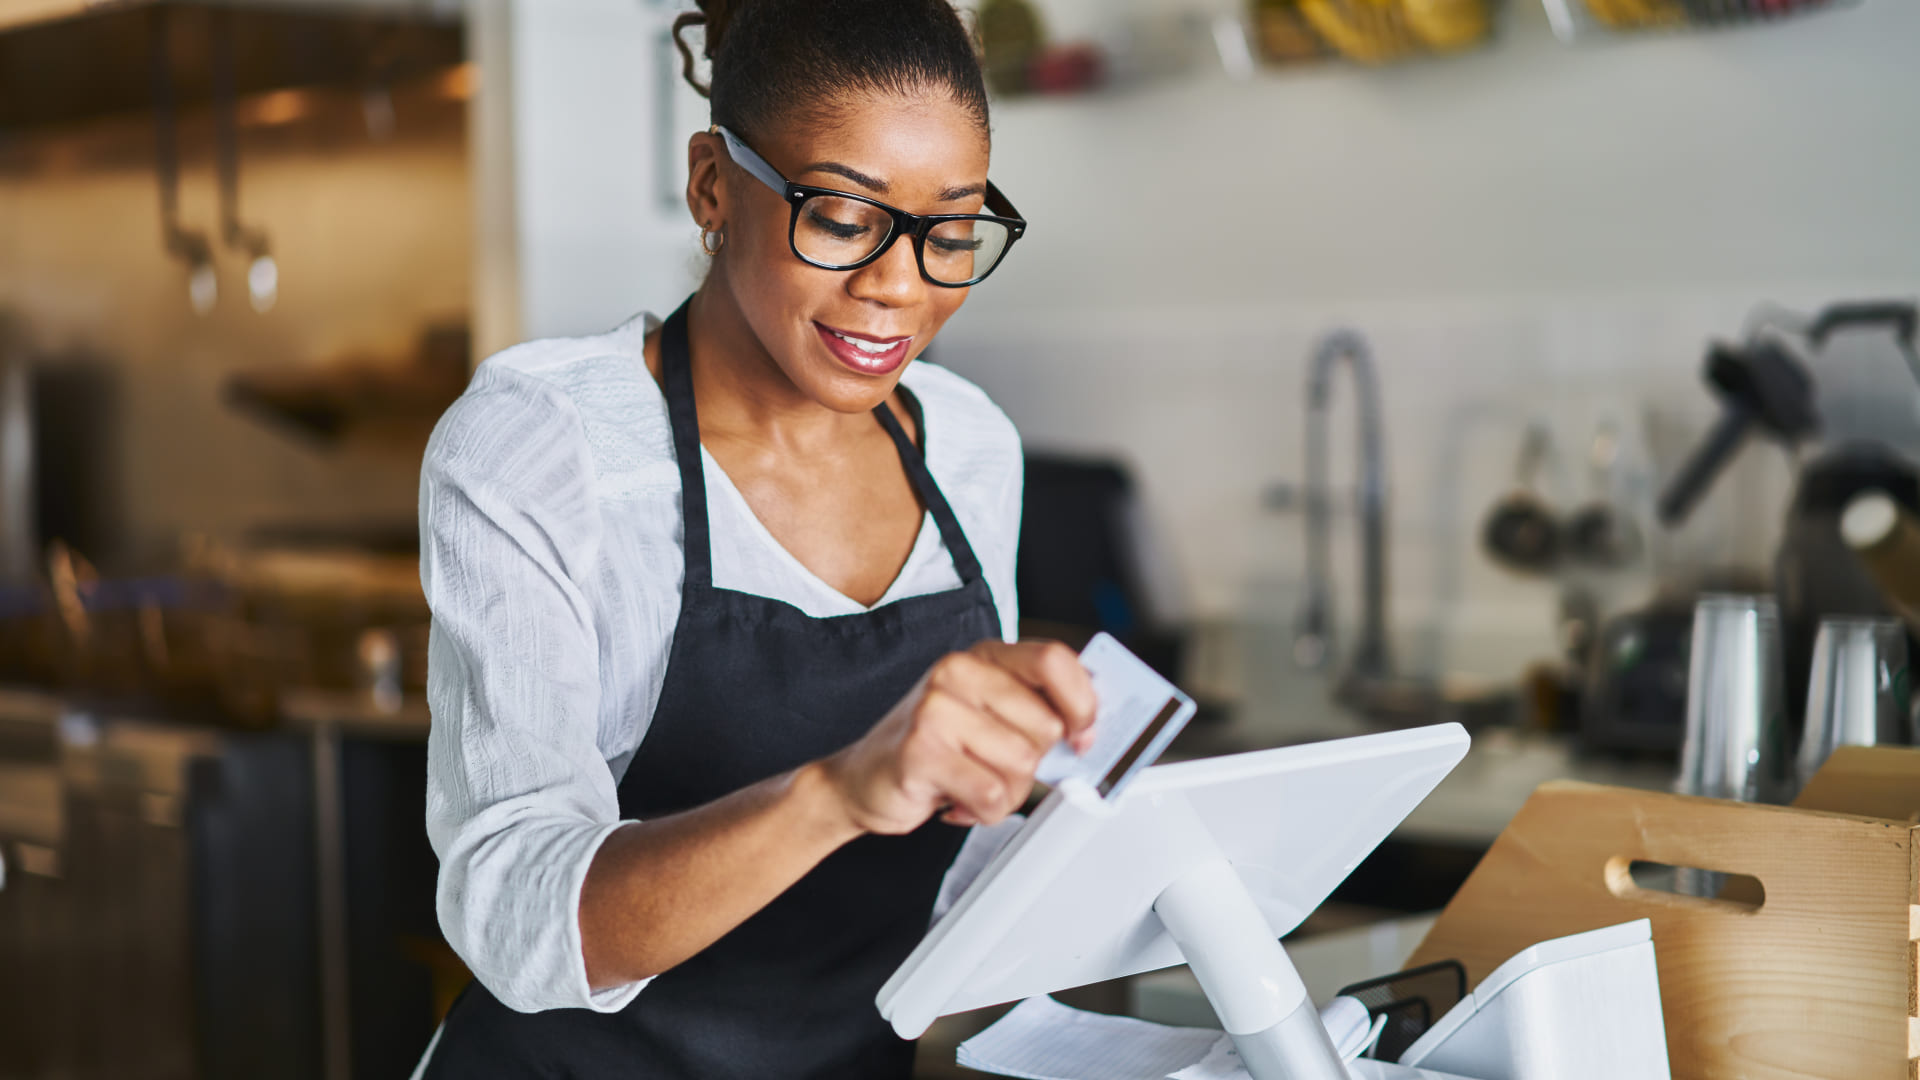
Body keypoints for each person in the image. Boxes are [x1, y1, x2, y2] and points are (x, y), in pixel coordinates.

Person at [410, 1, 1097, 1076]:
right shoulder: (546, 446)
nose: (899, 287)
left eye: (952, 232)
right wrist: (836, 792)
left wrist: (1052, 793)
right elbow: (512, 921)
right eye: (840, 217)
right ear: (713, 185)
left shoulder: (968, 443)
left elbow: (941, 867)